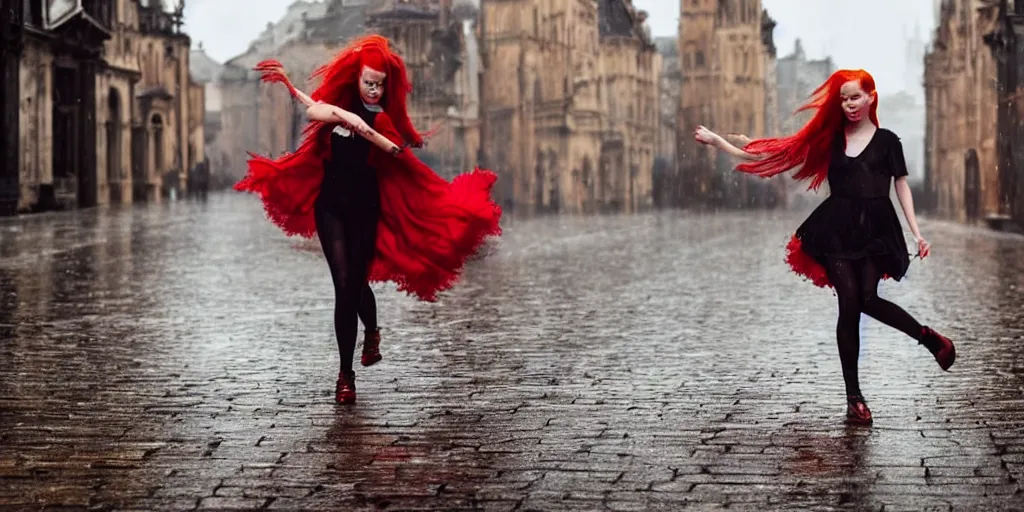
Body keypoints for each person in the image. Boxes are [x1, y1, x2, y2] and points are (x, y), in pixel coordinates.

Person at [235, 35, 502, 405]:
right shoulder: (338, 109)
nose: (374, 90)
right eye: (368, 83)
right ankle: (345, 375)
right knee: (343, 284)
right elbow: (315, 110)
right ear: (357, 79)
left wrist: (446, 202)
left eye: (379, 85)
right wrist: (332, 108)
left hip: (364, 208)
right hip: (329, 207)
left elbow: (406, 165)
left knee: (357, 283)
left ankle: (372, 330)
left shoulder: (384, 122)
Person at [694, 69, 956, 424]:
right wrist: (718, 143)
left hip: (877, 230)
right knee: (849, 304)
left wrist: (917, 233)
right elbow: (774, 155)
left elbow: (901, 186)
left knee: (867, 299)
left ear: (871, 97)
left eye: (855, 97)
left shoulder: (888, 142)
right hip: (836, 230)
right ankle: (855, 398)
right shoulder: (830, 139)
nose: (849, 105)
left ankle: (926, 337)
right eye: (844, 99)